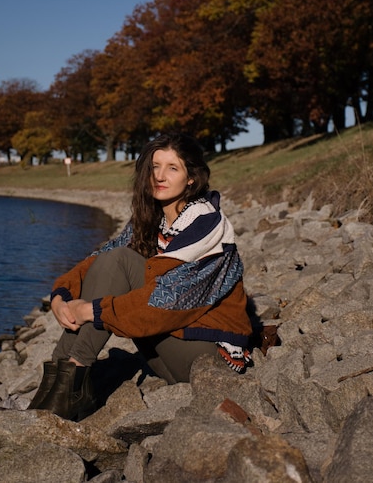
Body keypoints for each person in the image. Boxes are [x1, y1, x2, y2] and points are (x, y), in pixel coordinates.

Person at [28, 133, 252, 421]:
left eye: (173, 168)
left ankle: (72, 382)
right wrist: (61, 295)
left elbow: (166, 304)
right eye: (155, 166)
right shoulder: (152, 218)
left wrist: (91, 311)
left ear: (192, 178)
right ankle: (60, 377)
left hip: (209, 361)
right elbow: (100, 260)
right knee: (113, 259)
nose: (159, 176)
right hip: (171, 350)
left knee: (120, 262)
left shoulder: (207, 225)